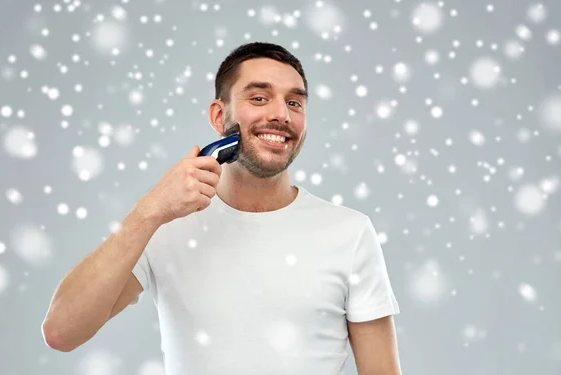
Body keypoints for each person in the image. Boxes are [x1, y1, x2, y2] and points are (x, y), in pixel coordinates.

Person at [41, 42, 402, 375]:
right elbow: (61, 331)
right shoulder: (166, 224)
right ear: (219, 116)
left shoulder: (349, 233)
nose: (281, 114)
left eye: (295, 102)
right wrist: (150, 210)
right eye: (259, 98)